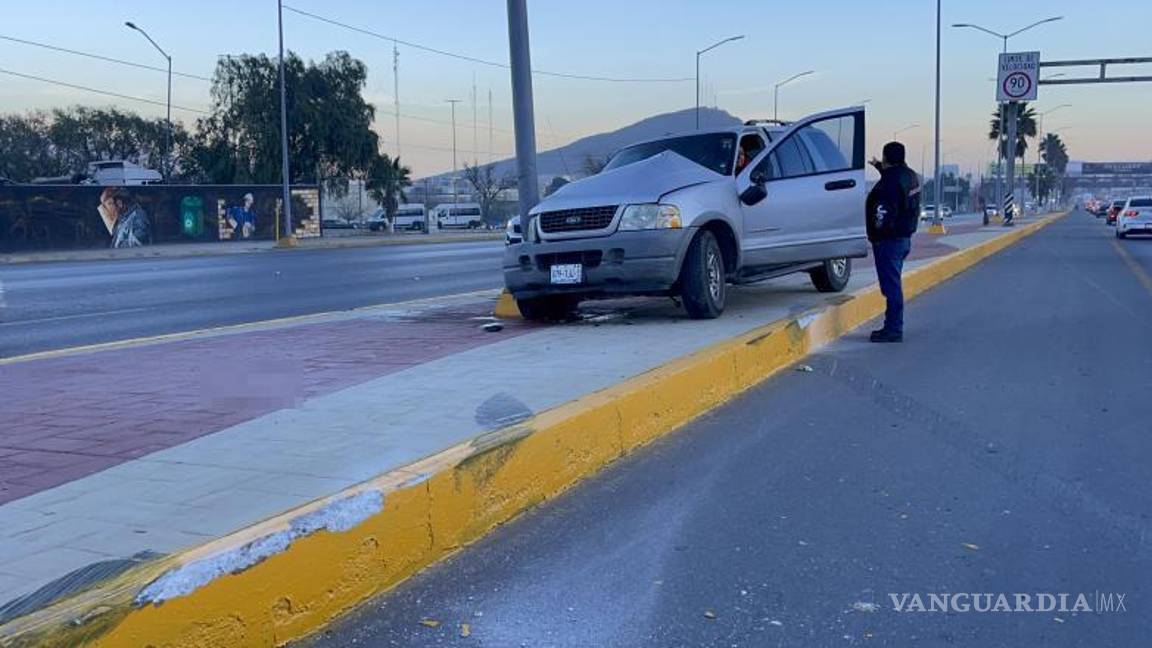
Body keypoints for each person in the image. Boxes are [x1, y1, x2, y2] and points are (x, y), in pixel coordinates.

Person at [865, 141, 920, 343]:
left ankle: (894, 328)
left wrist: (877, 236)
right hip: (903, 238)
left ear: (886, 157)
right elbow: (896, 180)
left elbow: (883, 213)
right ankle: (892, 325)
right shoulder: (910, 176)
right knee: (892, 284)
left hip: (889, 241)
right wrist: (879, 167)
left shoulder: (888, 185)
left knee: (891, 287)